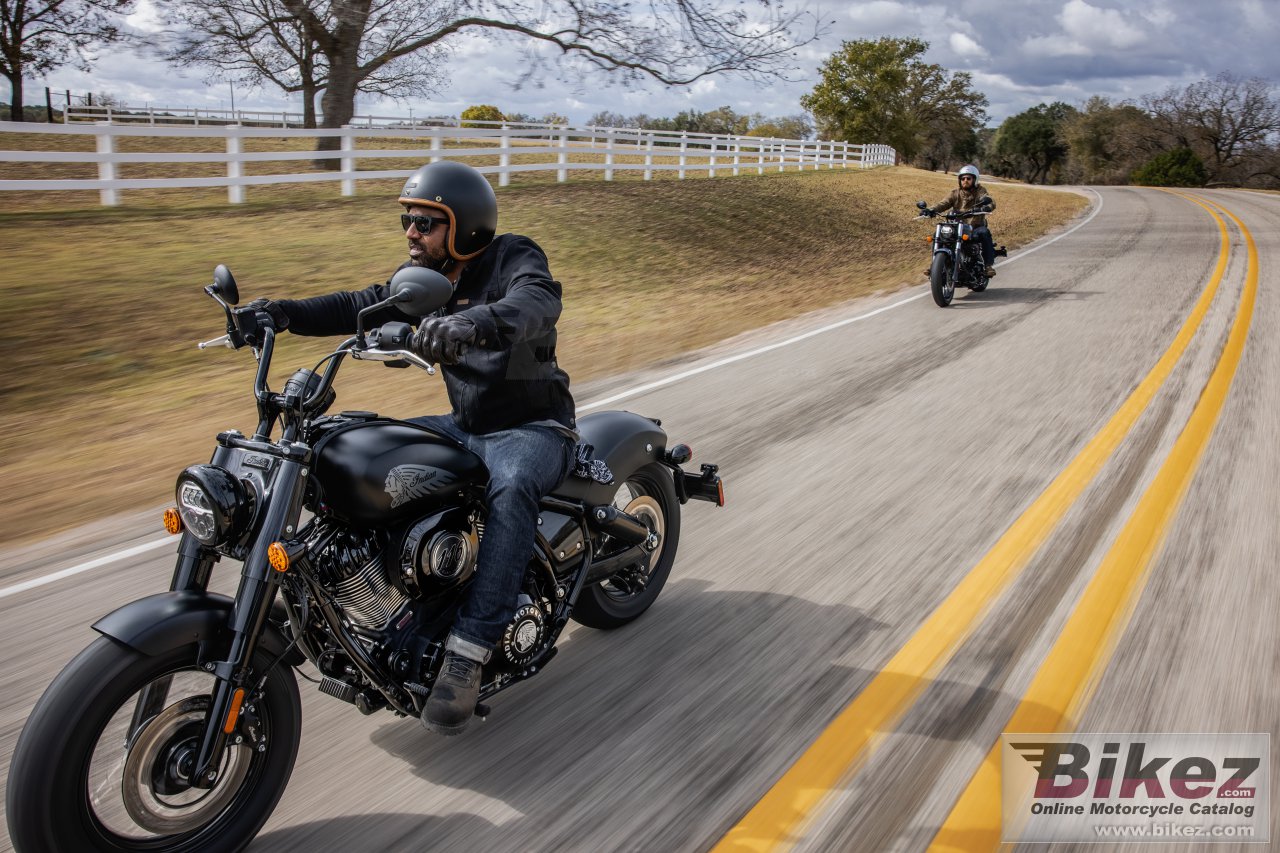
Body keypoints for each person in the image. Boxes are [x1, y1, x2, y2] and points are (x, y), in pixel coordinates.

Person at [248, 160, 577, 736]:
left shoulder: (513, 257)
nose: (411, 233)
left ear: (464, 225)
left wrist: (473, 323)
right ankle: (337, 592)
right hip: (464, 424)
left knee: (513, 486)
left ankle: (469, 651)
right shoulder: (428, 277)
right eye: (408, 220)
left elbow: (537, 301)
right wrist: (282, 314)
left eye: (426, 222)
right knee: (343, 448)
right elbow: (366, 301)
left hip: (532, 429)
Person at [930, 164, 998, 277]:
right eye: (962, 178)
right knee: (938, 235)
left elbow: (990, 200)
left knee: (984, 232)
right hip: (957, 227)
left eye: (968, 178)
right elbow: (943, 203)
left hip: (974, 227)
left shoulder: (980, 191)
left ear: (974, 180)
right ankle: (935, 266)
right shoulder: (955, 193)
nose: (965, 181)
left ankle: (988, 266)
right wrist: (930, 210)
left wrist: (987, 207)